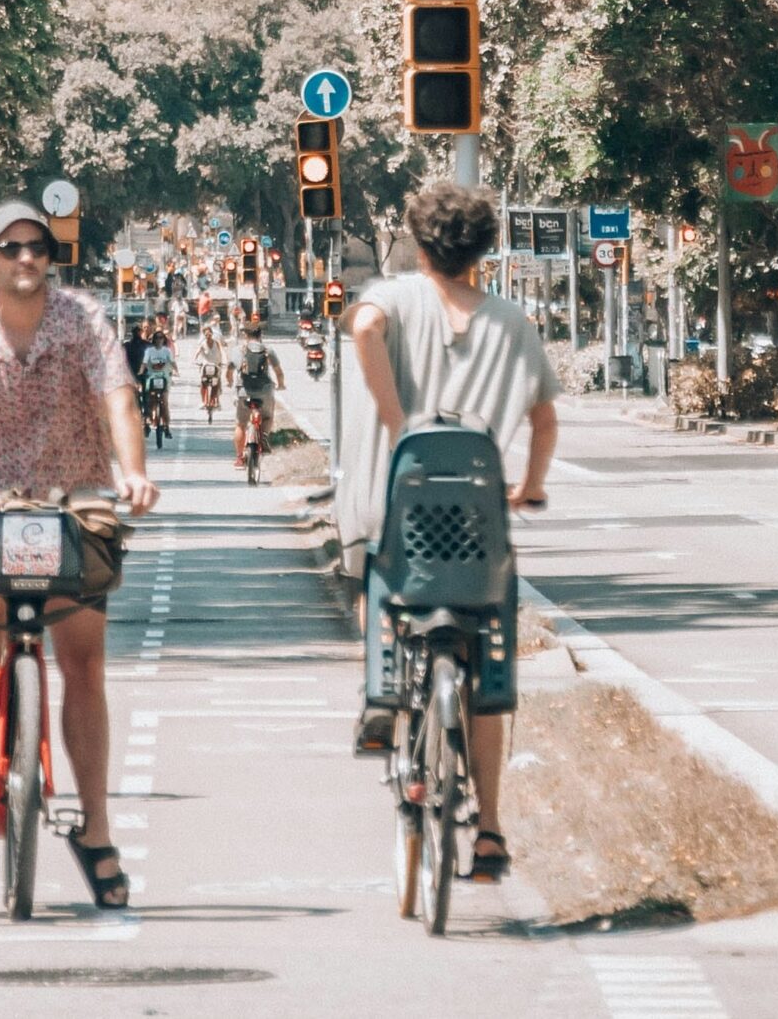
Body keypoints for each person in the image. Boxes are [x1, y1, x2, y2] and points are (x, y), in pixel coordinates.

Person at [0, 201, 158, 911]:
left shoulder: (84, 320)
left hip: (70, 490)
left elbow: (118, 401)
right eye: (9, 248)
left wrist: (131, 472)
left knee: (83, 657)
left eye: (37, 247)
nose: (25, 258)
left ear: (51, 257)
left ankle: (97, 829)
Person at [335, 181, 558, 885]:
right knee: (487, 668)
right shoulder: (513, 324)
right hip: (479, 528)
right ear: (484, 249)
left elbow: (363, 327)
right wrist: (529, 487)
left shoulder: (395, 299)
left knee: (379, 584)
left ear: (418, 242)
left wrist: (398, 418)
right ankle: (489, 830)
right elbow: (546, 420)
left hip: (397, 514)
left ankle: (381, 692)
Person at [232, 323, 283, 467]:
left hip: (244, 391)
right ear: (261, 335)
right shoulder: (268, 351)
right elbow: (279, 372)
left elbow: (230, 370)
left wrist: (229, 380)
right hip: (264, 391)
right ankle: (264, 437)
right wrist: (281, 384)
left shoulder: (239, 350)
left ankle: (239, 458)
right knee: (267, 416)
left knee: (241, 424)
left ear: (245, 335)